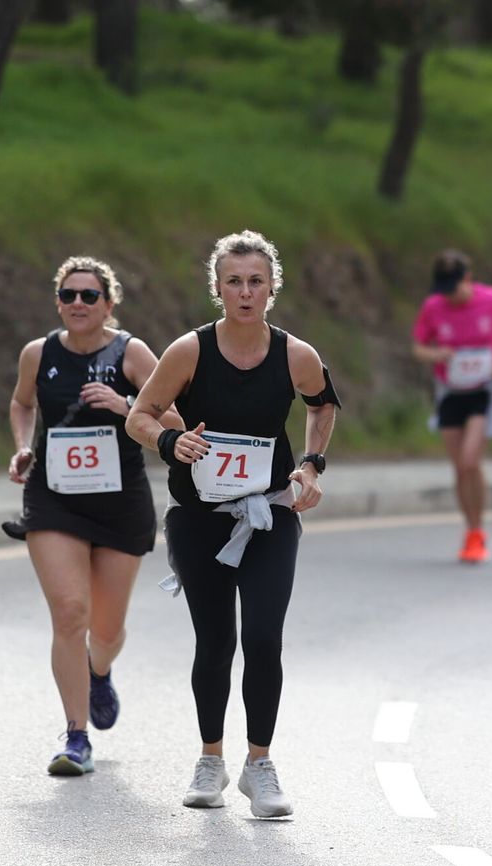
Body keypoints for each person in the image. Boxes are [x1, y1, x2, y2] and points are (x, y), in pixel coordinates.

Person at [127, 231, 340, 817]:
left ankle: (260, 766)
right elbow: (140, 415)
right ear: (218, 289)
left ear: (272, 289)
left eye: (255, 282)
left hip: (269, 513)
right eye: (234, 282)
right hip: (199, 517)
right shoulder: (189, 351)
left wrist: (310, 465)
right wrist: (170, 442)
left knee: (264, 638)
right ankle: (210, 760)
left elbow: (323, 404)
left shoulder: (295, 355)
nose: (245, 292)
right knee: (216, 640)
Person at [7, 256, 182, 776]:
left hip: (120, 502)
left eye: (89, 295)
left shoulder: (132, 353)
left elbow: (176, 419)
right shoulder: (38, 353)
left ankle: (98, 670)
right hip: (54, 497)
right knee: (69, 613)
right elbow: (22, 404)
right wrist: (23, 446)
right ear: (58, 302)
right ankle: (75, 736)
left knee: (105, 631)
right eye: (68, 295)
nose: (78, 303)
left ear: (109, 303)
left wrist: (124, 404)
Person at [412, 250, 492, 563]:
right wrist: (437, 355)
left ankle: (479, 529)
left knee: (470, 460)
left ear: (467, 278)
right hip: (450, 390)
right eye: (444, 289)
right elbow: (419, 347)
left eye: (453, 287)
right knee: (458, 466)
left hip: (485, 389)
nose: (449, 295)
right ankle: (470, 531)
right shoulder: (433, 306)